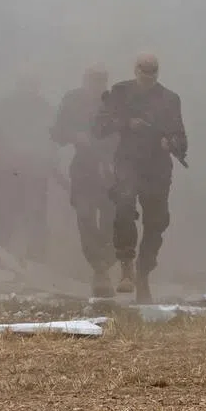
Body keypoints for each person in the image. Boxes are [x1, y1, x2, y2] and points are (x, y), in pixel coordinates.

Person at [94, 53, 187, 304]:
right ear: (135, 70)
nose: (148, 78)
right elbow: (100, 126)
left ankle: (143, 272)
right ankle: (126, 265)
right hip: (128, 162)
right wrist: (127, 123)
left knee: (156, 222)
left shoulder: (169, 99)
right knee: (124, 205)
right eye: (144, 72)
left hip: (157, 167)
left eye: (152, 73)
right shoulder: (120, 93)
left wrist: (171, 143)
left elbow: (181, 138)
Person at [51, 65, 118, 297]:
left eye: (101, 80)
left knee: (111, 219)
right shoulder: (72, 100)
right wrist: (75, 135)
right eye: (92, 80)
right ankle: (99, 268)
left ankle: (106, 262)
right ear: (85, 80)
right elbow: (57, 132)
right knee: (85, 215)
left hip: (110, 168)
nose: (96, 85)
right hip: (84, 167)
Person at [0, 71, 56, 265]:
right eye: (25, 84)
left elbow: (53, 140)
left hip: (34, 174)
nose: (28, 89)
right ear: (19, 85)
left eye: (32, 85)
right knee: (2, 219)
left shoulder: (44, 108)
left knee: (35, 219)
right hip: (5, 173)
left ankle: (36, 263)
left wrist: (49, 160)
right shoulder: (3, 107)